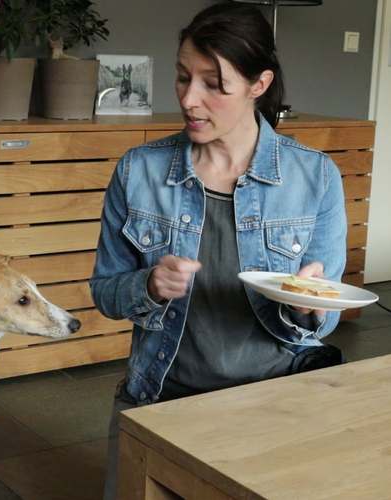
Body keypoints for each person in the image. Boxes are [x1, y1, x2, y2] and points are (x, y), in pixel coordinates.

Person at [89, 2, 347, 498]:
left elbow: (323, 317)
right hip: (161, 397)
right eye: (183, 78)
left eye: (213, 84)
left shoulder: (314, 176)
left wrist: (310, 305)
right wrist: (147, 284)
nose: (189, 98)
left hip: (278, 401)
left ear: (259, 85)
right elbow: (104, 291)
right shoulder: (138, 170)